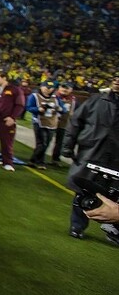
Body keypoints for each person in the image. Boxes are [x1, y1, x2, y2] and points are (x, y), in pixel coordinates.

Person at [61, 75, 119, 240]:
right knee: (84, 191)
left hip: (116, 158)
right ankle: (77, 226)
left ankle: (113, 230)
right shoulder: (96, 100)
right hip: (93, 153)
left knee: (115, 194)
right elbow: (75, 121)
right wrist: (68, 145)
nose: (117, 81)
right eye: (115, 77)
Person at [25, 79, 67, 170]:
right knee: (42, 144)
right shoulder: (34, 96)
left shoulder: (56, 98)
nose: (48, 89)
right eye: (46, 87)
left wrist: (59, 108)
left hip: (52, 123)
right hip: (39, 122)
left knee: (46, 144)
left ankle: (34, 160)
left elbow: (63, 110)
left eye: (51, 88)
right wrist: (38, 109)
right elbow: (28, 107)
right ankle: (38, 161)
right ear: (41, 87)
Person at [50, 81, 76, 169]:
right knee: (45, 141)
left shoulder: (73, 99)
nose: (64, 89)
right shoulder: (52, 96)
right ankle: (38, 158)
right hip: (50, 122)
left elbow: (74, 112)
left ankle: (55, 159)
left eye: (67, 88)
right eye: (63, 87)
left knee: (60, 143)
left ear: (71, 89)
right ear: (59, 87)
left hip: (64, 124)